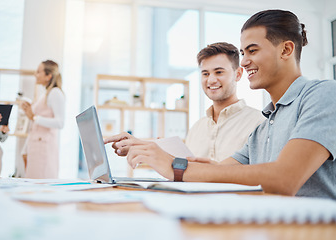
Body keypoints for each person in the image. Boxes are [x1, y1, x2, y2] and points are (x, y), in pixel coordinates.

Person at [104, 9, 336, 199]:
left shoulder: (322, 95)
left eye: (252, 51)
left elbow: (284, 179)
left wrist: (176, 166)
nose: (244, 62)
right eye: (243, 52)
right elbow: (218, 171)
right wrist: (146, 147)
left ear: (286, 49)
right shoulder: (262, 129)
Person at [185, 42, 264, 161]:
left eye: (219, 72)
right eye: (205, 74)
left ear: (238, 74)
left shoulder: (259, 123)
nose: (211, 80)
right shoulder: (196, 129)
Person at [21, 60, 65, 179]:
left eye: (38, 72)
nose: (35, 74)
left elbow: (60, 123)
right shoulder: (45, 94)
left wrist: (34, 117)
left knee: (41, 188)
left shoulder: (55, 93)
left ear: (48, 76)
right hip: (36, 147)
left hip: (44, 149)